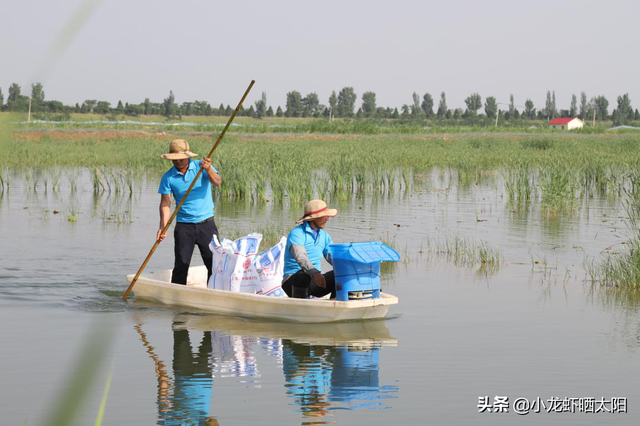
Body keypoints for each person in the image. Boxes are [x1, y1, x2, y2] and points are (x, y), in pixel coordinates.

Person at [157, 139, 221, 285]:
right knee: (181, 264)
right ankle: (177, 294)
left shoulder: (201, 167)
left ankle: (216, 290)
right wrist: (162, 227)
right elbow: (165, 203)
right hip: (184, 226)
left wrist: (208, 169)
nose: (178, 161)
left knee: (214, 263)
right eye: (175, 159)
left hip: (207, 225)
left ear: (188, 156)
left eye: (181, 158)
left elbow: (217, 181)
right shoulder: (168, 177)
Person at [282, 199, 337, 299]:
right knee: (303, 275)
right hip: (293, 282)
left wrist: (348, 268)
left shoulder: (324, 236)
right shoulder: (297, 233)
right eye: (324, 216)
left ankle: (335, 307)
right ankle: (299, 308)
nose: (327, 219)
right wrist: (315, 273)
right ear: (313, 218)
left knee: (340, 274)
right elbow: (301, 257)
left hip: (315, 281)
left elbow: (333, 257)